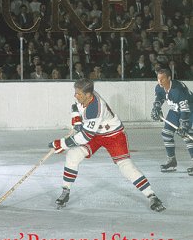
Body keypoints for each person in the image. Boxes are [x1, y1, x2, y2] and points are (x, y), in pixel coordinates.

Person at [49, 79, 165, 212]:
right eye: (75, 93)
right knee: (73, 155)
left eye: (78, 94)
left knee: (125, 166)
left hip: (113, 135)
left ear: (88, 95)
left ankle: (152, 196)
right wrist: (76, 119)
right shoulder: (85, 96)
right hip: (95, 133)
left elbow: (85, 137)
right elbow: (75, 106)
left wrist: (62, 144)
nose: (75, 96)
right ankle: (65, 191)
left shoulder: (95, 108)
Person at [151, 67, 193, 176]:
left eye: (162, 79)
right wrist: (156, 108)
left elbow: (185, 109)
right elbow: (160, 97)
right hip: (175, 110)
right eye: (158, 79)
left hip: (189, 110)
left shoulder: (177, 90)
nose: (160, 81)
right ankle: (172, 161)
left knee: (187, 135)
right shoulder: (159, 87)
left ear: (169, 78)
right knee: (166, 133)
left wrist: (184, 125)